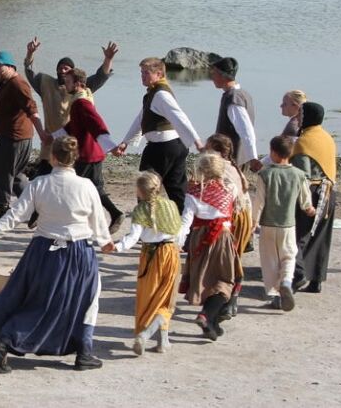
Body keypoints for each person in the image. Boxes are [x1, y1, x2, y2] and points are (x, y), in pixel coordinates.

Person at [0, 137, 112, 373]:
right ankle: (83, 352)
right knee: (87, 299)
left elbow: (15, 215)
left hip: (41, 251)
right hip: (78, 252)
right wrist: (105, 241)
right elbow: (98, 221)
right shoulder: (86, 186)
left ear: (53, 157)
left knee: (34, 300)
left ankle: (3, 345)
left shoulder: (39, 184)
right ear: (75, 158)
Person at [0, 51, 51, 227]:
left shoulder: (18, 84)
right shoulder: (3, 85)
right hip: (11, 137)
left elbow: (32, 109)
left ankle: (2, 212)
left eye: (0, 66)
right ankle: (38, 209)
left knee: (1, 175)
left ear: (11, 67)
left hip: (14, 138)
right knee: (17, 177)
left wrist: (42, 133)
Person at [105, 171, 181, 355]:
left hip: (150, 256)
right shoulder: (171, 205)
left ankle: (150, 336)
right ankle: (156, 339)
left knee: (149, 297)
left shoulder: (140, 210)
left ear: (140, 191)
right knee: (166, 299)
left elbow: (133, 238)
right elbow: (179, 232)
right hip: (171, 253)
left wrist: (116, 247)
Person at [116, 57, 204, 212]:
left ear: (159, 74)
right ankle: (186, 228)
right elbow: (141, 118)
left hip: (162, 149)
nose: (142, 76)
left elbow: (179, 116)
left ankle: (148, 226)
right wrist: (126, 142)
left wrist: (197, 141)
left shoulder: (161, 94)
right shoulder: (153, 93)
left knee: (145, 186)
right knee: (176, 190)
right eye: (141, 72)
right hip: (174, 147)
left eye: (146, 73)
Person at [24, 38, 118, 176]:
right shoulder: (46, 84)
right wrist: (30, 53)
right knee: (44, 177)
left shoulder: (79, 88)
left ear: (74, 77)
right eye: (60, 68)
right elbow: (30, 72)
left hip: (71, 145)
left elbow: (100, 76)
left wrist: (108, 59)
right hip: (51, 143)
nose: (62, 70)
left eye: (66, 68)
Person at [177, 154, 239, 341]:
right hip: (222, 237)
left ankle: (211, 322)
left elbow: (186, 221)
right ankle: (206, 316)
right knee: (225, 280)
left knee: (204, 278)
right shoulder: (230, 188)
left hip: (199, 238)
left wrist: (178, 242)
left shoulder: (193, 192)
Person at [57, 68, 124, 232]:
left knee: (78, 189)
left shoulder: (82, 103)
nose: (65, 85)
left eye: (68, 82)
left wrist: (112, 146)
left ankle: (109, 215)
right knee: (92, 189)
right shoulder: (80, 100)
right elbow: (73, 125)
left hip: (88, 155)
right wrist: (54, 136)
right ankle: (113, 215)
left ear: (78, 84)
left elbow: (97, 124)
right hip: (90, 154)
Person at [256, 136, 314, 311]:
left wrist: (253, 222)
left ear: (273, 152)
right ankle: (287, 282)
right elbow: (305, 199)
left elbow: (259, 202)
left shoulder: (265, 174)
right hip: (288, 225)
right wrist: (309, 208)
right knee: (289, 256)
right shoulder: (299, 175)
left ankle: (275, 297)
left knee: (270, 262)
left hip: (267, 225)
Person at [291, 102, 337, 294]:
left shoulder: (303, 141)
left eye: (301, 114)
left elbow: (303, 175)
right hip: (329, 191)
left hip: (312, 192)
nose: (299, 118)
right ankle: (316, 280)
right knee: (321, 237)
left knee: (297, 235)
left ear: (307, 117)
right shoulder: (327, 137)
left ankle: (298, 274)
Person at [204, 133, 252, 318]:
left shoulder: (218, 168)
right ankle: (232, 299)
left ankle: (224, 301)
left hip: (229, 218)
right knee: (235, 259)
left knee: (225, 262)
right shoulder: (234, 167)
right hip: (243, 216)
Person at [209, 57, 259, 170]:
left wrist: (253, 157)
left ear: (223, 76)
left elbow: (246, 129)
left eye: (214, 74)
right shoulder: (243, 94)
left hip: (232, 159)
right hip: (236, 158)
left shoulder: (233, 98)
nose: (212, 77)